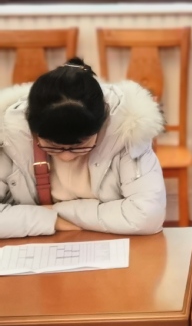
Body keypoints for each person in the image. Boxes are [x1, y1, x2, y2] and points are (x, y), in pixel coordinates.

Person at [0, 57, 167, 238]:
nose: (66, 157)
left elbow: (147, 216)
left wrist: (54, 211)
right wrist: (52, 221)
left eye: (79, 145)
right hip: (38, 243)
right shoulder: (8, 134)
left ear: (101, 125)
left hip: (110, 241)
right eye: (53, 147)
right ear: (31, 128)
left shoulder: (126, 130)